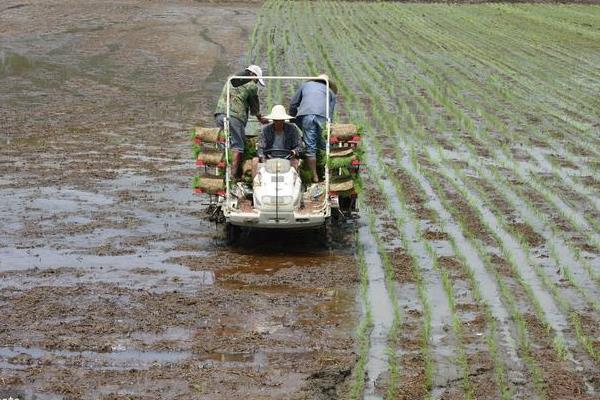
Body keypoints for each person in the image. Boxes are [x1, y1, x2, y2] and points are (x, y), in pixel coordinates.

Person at [214, 65, 268, 180]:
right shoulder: (251, 85)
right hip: (235, 116)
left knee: (223, 143)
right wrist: (260, 118)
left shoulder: (231, 79)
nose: (256, 82)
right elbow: (255, 108)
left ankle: (223, 173)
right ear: (253, 75)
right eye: (257, 80)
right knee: (238, 146)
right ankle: (233, 176)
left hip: (219, 114)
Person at [289, 74, 337, 183]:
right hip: (323, 117)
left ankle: (314, 176)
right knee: (324, 146)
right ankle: (326, 174)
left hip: (305, 115)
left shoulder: (306, 85)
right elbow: (331, 113)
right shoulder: (331, 93)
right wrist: (329, 125)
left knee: (310, 146)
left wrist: (292, 117)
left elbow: (293, 103)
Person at [252, 105, 303, 179]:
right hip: (269, 157)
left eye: (280, 120)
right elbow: (260, 147)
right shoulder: (265, 130)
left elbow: (300, 146)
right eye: (276, 120)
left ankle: (294, 184)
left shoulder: (292, 129)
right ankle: (257, 184)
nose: (278, 122)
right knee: (255, 160)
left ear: (284, 120)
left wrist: (294, 152)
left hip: (288, 158)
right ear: (273, 120)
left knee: (295, 162)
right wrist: (263, 158)